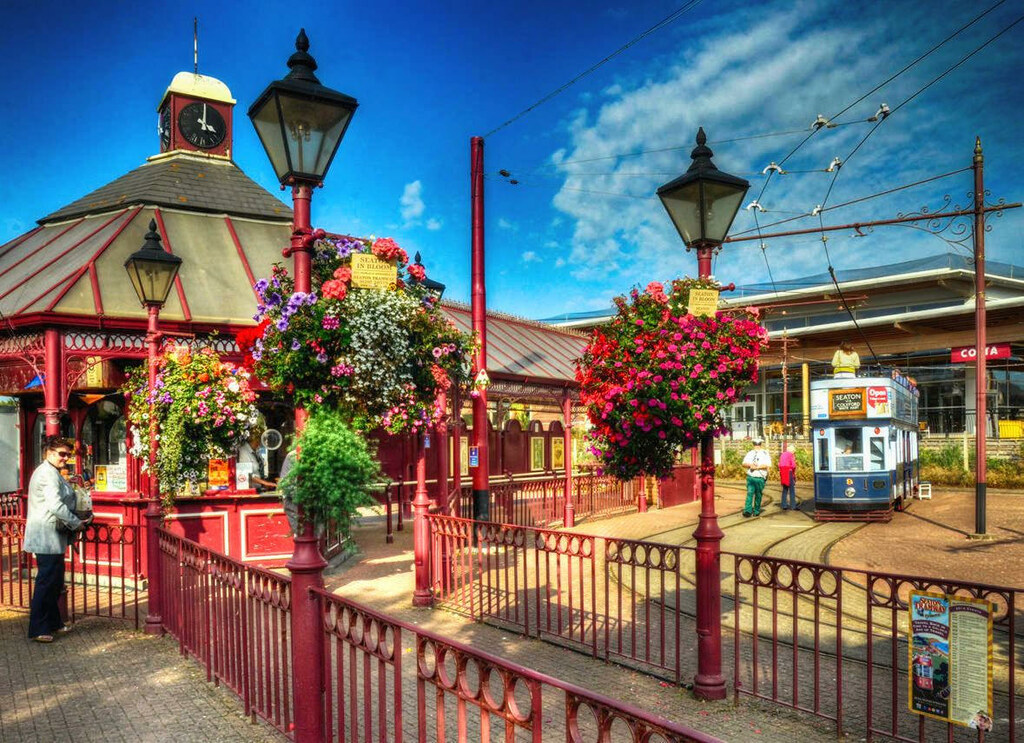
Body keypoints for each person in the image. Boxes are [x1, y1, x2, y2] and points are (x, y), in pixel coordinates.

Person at [24, 436, 91, 643]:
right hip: (47, 536)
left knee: (53, 582)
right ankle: (37, 628)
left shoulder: (52, 472)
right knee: (46, 583)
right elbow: (55, 506)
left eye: (68, 455)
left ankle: (53, 623)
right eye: (62, 454)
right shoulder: (47, 474)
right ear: (49, 453)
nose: (66, 458)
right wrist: (76, 522)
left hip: (52, 537)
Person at [742, 437, 772, 518]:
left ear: (760, 445)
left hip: (760, 477)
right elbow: (744, 463)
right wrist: (750, 465)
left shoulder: (765, 453)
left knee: (758, 494)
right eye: (755, 445)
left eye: (757, 445)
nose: (757, 446)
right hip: (751, 476)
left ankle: (756, 510)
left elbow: (767, 465)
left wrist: (757, 467)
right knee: (750, 493)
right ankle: (747, 510)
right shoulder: (750, 453)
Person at [778, 443, 798, 510]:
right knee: (792, 490)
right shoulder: (791, 455)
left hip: (783, 473)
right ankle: (793, 506)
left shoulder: (782, 454)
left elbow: (779, 464)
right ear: (792, 451)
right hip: (789, 472)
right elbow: (793, 465)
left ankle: (784, 505)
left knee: (785, 489)